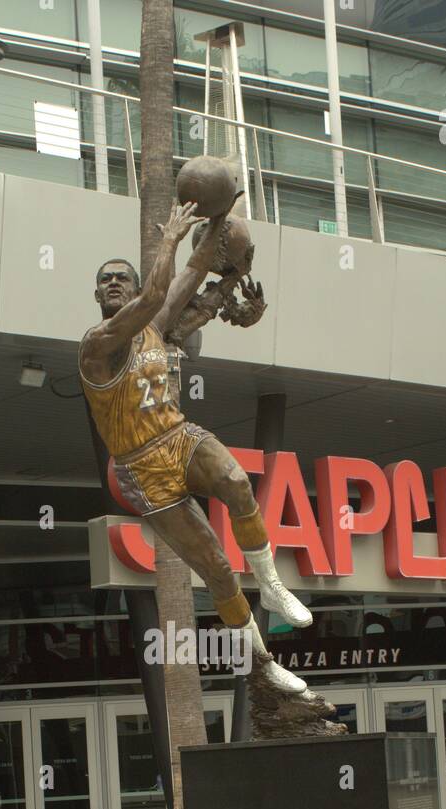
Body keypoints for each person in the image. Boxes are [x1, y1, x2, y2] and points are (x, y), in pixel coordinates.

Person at [79, 200, 311, 695]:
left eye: (123, 277)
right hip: (143, 469)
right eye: (106, 279)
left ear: (136, 287)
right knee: (217, 568)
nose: (115, 283)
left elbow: (195, 273)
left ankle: (271, 585)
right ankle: (263, 665)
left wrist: (222, 228)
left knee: (235, 481)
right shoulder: (96, 344)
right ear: (96, 294)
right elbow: (162, 288)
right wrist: (170, 238)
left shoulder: (155, 325)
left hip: (178, 437)